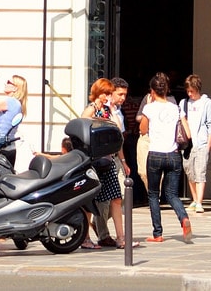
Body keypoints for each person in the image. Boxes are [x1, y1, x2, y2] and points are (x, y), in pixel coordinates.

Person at [139, 72, 193, 244]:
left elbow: (143, 130)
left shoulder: (149, 108)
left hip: (155, 154)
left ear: (152, 91)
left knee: (153, 194)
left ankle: (158, 233)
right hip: (173, 155)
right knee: (172, 194)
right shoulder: (176, 108)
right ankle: (183, 218)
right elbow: (188, 133)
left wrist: (149, 108)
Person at [79, 77, 129, 249]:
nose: (107, 96)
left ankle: (121, 238)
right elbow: (83, 125)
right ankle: (85, 238)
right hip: (94, 161)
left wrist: (123, 161)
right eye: (105, 93)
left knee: (116, 198)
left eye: (109, 93)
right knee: (88, 201)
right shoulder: (90, 109)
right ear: (97, 93)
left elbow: (117, 132)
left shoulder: (109, 110)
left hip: (108, 161)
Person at [93, 77, 132, 248]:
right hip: (101, 160)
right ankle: (104, 234)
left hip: (114, 158)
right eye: (119, 94)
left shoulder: (116, 111)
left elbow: (119, 138)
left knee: (120, 197)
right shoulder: (97, 110)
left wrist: (123, 161)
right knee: (104, 199)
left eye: (125, 95)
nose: (123, 98)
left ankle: (104, 228)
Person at [181, 74, 211, 213]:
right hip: (188, 144)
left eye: (192, 91)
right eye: (188, 91)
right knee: (190, 172)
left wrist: (209, 143)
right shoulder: (184, 103)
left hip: (201, 142)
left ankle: (199, 202)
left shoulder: (207, 103)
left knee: (200, 172)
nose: (190, 94)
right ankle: (194, 200)